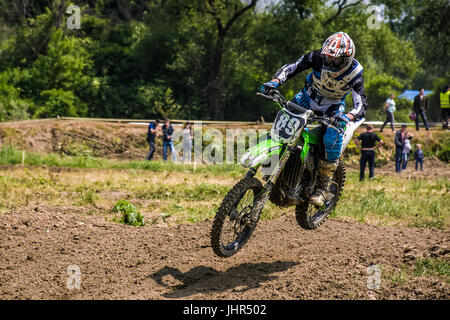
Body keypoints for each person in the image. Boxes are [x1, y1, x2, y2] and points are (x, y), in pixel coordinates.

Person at [261, 32, 367, 207]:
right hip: (306, 97)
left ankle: (322, 188)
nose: (330, 62)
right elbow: (293, 67)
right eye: (328, 57)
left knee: (332, 136)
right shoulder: (317, 57)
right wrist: (275, 82)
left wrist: (346, 117)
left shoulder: (355, 73)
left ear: (347, 59)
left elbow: (361, 104)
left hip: (332, 107)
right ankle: (272, 166)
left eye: (335, 60)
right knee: (283, 125)